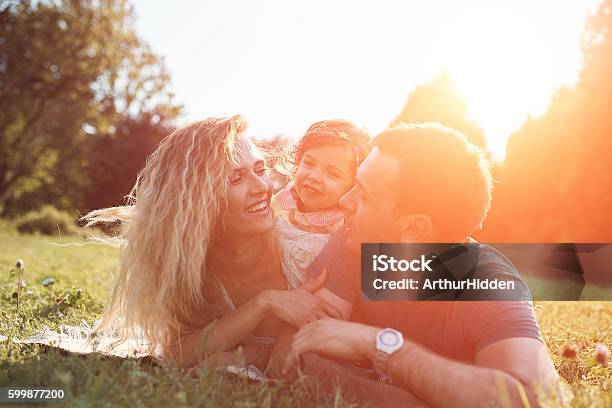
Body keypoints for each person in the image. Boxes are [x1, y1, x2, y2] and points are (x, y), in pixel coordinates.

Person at [275, 123, 562, 407]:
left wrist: (380, 344)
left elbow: (531, 399)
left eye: (363, 193)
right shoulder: (355, 241)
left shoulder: (488, 282)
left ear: (413, 229)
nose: (345, 201)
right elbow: (292, 355)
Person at [76, 115, 342, 369]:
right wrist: (265, 303)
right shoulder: (190, 268)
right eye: (236, 178)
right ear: (198, 201)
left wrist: (253, 355)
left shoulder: (308, 253)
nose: (261, 187)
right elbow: (178, 352)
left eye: (260, 169)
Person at [271, 119, 372, 288]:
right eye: (309, 163)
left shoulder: (343, 223)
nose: (314, 176)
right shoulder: (283, 200)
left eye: (332, 174)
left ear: (353, 184)